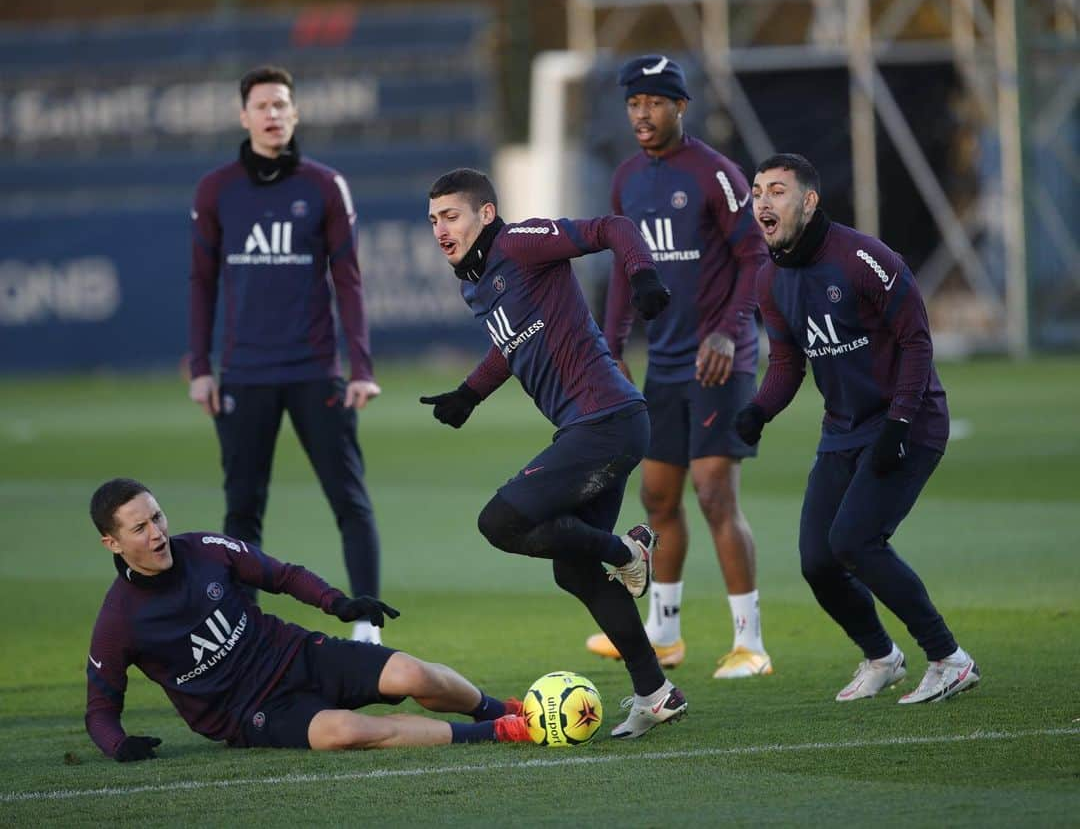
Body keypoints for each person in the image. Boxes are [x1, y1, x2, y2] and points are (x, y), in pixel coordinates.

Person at [421, 168, 687, 739]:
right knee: (574, 569)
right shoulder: (475, 280)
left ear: (485, 215)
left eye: (451, 216)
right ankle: (656, 693)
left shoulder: (520, 243)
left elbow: (612, 226)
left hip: (606, 422)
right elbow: (510, 345)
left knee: (500, 520)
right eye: (433, 220)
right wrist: (469, 393)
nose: (440, 229)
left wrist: (642, 276)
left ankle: (627, 550)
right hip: (598, 427)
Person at [735, 153, 980, 703]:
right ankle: (881, 657)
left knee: (856, 541)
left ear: (809, 200)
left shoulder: (862, 256)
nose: (763, 202)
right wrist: (757, 411)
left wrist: (898, 421)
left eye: (777, 191)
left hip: (908, 422)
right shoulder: (769, 279)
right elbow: (786, 364)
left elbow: (917, 340)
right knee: (818, 561)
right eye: (756, 192)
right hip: (842, 430)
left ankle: (949, 658)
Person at [85, 478, 530, 760]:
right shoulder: (118, 620)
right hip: (252, 711)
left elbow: (282, 576)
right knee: (345, 730)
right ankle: (497, 733)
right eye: (139, 528)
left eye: (157, 517)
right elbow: (100, 709)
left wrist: (338, 604)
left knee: (411, 672)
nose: (158, 533)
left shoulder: (205, 548)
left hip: (295, 654)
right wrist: (118, 744)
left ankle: (500, 709)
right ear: (113, 543)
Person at [587, 54, 772, 680]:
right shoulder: (626, 181)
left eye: (654, 102)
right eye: (633, 103)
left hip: (722, 363)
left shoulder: (716, 175)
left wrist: (728, 331)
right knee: (657, 495)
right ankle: (664, 634)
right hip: (662, 365)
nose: (642, 113)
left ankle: (750, 642)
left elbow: (755, 258)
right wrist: (611, 345)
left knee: (714, 491)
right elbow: (623, 267)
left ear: (680, 107)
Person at [189, 65, 384, 643]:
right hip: (244, 375)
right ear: (243, 116)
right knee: (241, 514)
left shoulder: (324, 185)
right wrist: (201, 369)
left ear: (294, 114)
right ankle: (243, 636)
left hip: (314, 371)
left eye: (281, 105)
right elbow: (200, 284)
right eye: (262, 105)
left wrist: (362, 367)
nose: (273, 114)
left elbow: (349, 281)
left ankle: (368, 625)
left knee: (349, 501)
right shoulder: (216, 189)